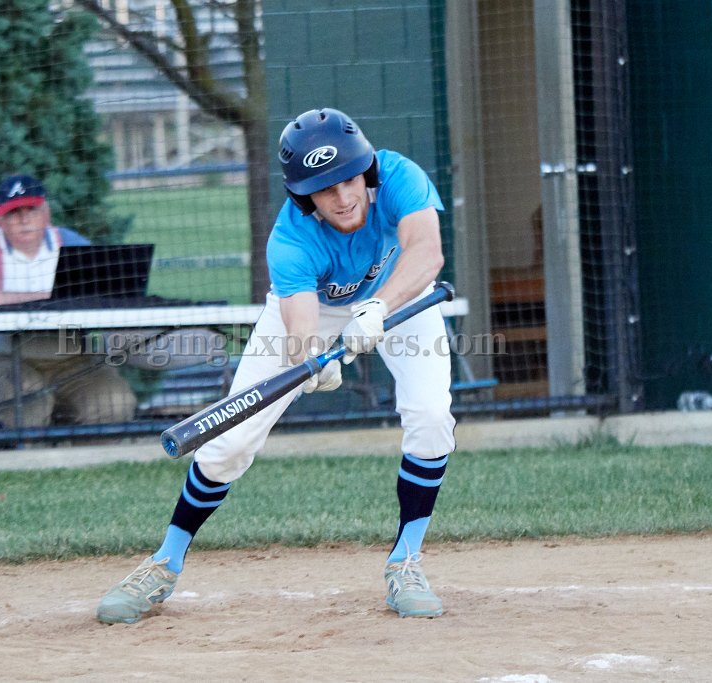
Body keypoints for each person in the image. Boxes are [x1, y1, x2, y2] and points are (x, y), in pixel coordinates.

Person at [96, 108, 456, 623]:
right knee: (230, 442)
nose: (343, 198)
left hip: (403, 294)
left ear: (367, 170)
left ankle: (406, 562)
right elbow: (302, 325)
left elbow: (426, 253)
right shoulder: (291, 239)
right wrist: (311, 359)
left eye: (350, 180)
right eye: (325, 190)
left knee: (431, 415)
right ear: (304, 196)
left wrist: (378, 307)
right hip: (316, 306)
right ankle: (163, 563)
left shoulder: (399, 175)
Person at [0, 174, 138, 428]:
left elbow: (104, 291)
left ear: (46, 213)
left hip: (68, 360)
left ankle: (80, 454)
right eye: (14, 213)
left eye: (32, 210)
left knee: (114, 402)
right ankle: (28, 452)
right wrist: (50, 297)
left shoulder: (69, 242)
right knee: (26, 396)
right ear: (0, 220)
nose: (24, 220)